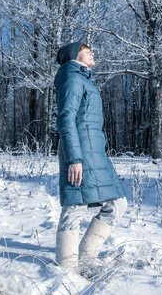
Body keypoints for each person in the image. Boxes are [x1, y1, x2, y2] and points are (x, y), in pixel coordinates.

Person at [54, 41, 127, 270]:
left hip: (94, 153)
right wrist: (74, 159)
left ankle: (86, 255)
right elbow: (66, 119)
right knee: (75, 206)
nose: (92, 53)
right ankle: (66, 268)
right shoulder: (73, 79)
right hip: (80, 153)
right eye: (87, 52)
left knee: (117, 204)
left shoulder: (82, 79)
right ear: (75, 57)